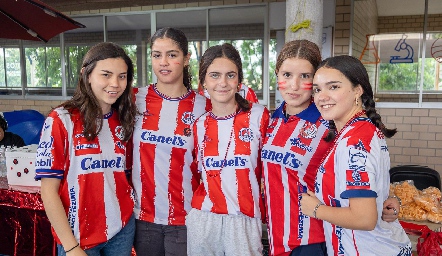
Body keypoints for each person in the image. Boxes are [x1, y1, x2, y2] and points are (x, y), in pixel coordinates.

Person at [262, 40, 402, 256]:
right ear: (277, 75)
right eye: (287, 75)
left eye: (305, 76)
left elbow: (363, 166)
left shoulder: (330, 120)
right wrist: (387, 197)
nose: (294, 85)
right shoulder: (271, 119)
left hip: (315, 238)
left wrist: (386, 197)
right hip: (277, 235)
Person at [300, 55, 412, 255]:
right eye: (317, 89)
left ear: (357, 90)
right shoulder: (361, 130)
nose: (321, 96)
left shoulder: (355, 141)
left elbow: (364, 219)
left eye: (333, 87)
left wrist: (316, 209)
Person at [35, 42, 137, 256]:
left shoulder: (124, 119)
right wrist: (71, 246)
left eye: (122, 76)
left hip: (122, 230)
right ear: (86, 74)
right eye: (106, 75)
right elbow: (48, 191)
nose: (115, 83)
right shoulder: (61, 120)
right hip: (78, 236)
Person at [132, 27, 210, 256]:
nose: (163, 62)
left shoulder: (204, 107)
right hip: (143, 219)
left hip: (187, 220)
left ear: (186, 59)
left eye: (172, 55)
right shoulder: (134, 99)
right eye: (157, 55)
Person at [186, 43, 270, 256]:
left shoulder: (259, 116)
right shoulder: (199, 124)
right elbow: (197, 173)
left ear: (238, 80)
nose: (222, 83)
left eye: (230, 75)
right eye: (214, 75)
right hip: (204, 219)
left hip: (244, 218)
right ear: (203, 81)